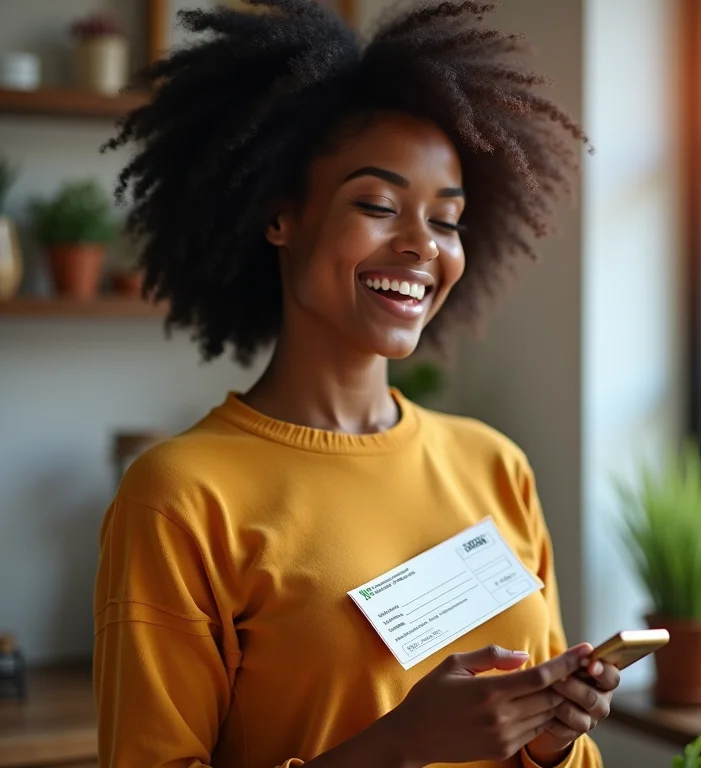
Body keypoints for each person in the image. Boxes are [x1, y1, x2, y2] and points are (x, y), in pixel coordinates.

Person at [93, 2, 619, 766]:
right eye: (377, 205)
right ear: (280, 216)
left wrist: (548, 743)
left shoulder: (494, 465)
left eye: (447, 220)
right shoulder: (179, 496)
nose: (420, 245)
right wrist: (400, 745)